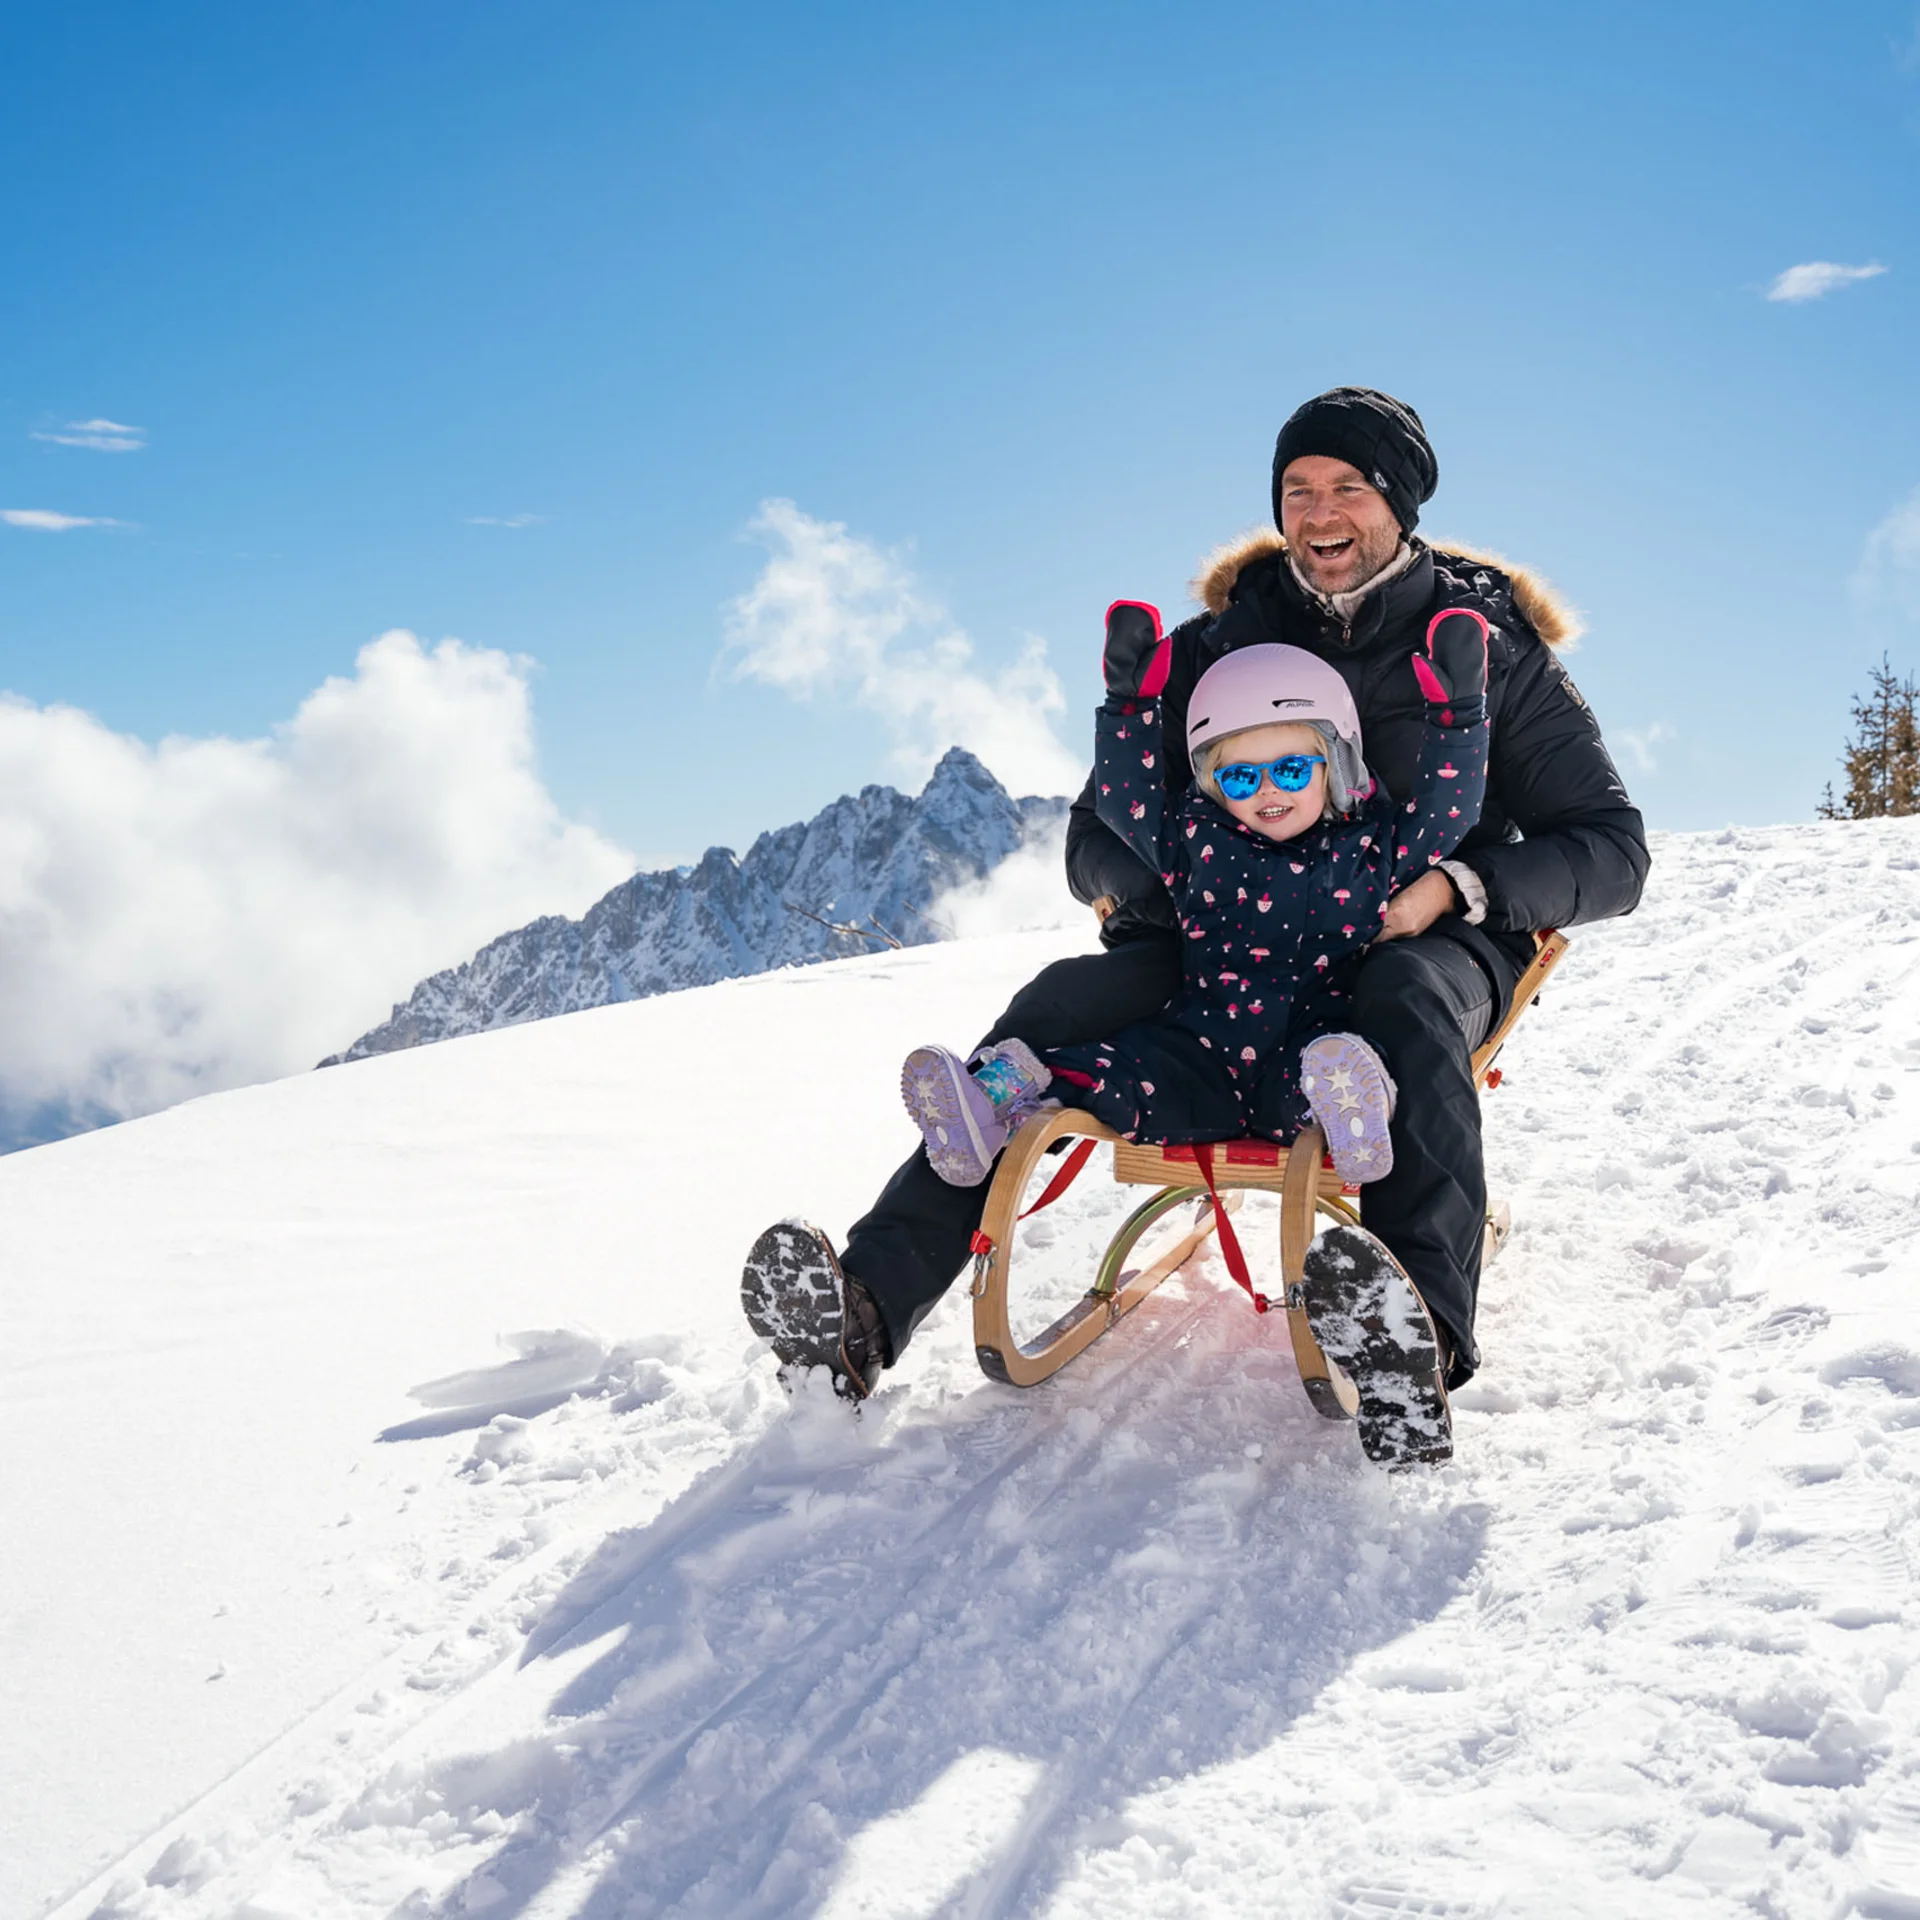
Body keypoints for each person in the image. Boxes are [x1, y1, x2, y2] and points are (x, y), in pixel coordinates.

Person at [740, 386, 1649, 1431]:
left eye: (1349, 487)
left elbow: (1613, 849)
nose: (1320, 512)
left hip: (1418, 931)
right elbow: (1096, 833)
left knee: (1404, 1002)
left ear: (1400, 505)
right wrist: (1187, 887)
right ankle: (865, 1309)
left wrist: (1458, 887)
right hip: (1223, 941)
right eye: (1298, 489)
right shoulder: (1221, 643)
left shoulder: (1491, 647)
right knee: (1059, 1005)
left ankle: (1416, 1341)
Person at [896, 619, 1490, 1187]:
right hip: (1199, 1053)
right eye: (1240, 778)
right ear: (1214, 785)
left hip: (1309, 1048)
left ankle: (1359, 1109)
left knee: (1332, 1071)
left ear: (1336, 765)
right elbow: (1125, 804)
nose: (1267, 789)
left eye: (1291, 770)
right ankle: (990, 1105)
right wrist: (1129, 708)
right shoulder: (1197, 841)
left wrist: (1458, 716)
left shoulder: (1371, 847)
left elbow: (1449, 813)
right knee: (1098, 1067)